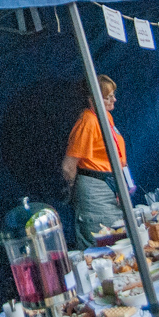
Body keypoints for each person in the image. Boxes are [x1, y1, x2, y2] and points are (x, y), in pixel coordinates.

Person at [61, 75, 134, 245]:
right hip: (95, 189)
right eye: (108, 97)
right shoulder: (88, 121)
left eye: (114, 95)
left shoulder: (105, 117)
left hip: (111, 185)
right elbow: (68, 167)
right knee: (104, 241)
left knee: (120, 239)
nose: (114, 100)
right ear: (93, 99)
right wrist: (72, 189)